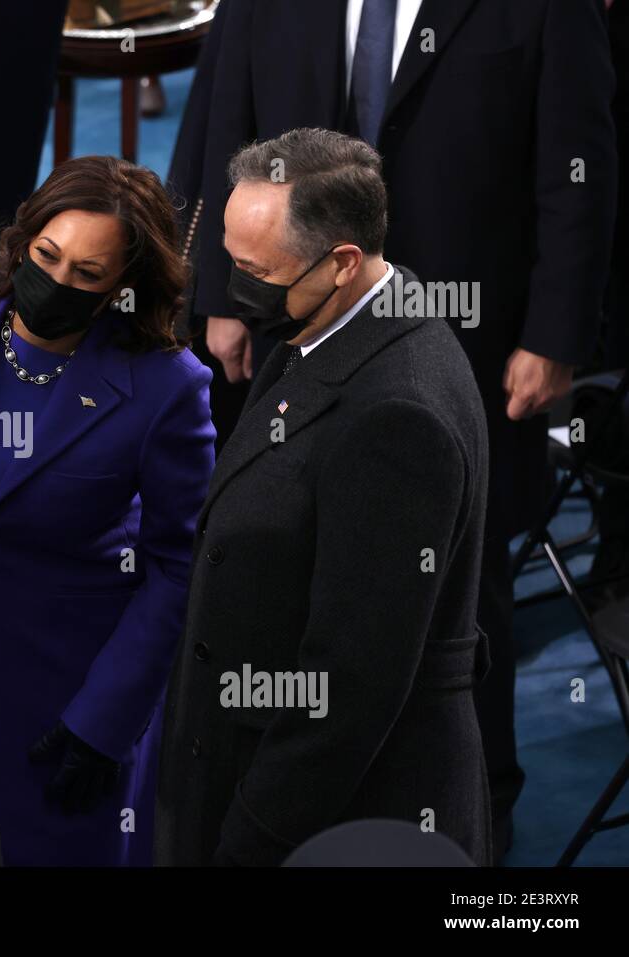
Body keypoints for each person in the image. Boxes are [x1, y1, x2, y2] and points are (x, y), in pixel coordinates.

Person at [175, 0, 617, 856]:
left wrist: (556, 335)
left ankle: (476, 808)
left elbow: (579, 167)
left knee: (456, 585)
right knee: (282, 553)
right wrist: (213, 295)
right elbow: (219, 116)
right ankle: (279, 780)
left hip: (469, 330)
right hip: (283, 325)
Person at [157, 129, 492, 866]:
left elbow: (348, 688)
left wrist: (248, 838)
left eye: (256, 270)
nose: (235, 287)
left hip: (332, 823)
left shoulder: (396, 414)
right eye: (229, 257)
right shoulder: (329, 322)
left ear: (342, 262)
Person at [0, 155, 217, 866]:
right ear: (24, 238)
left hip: (61, 689)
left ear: (124, 289)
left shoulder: (167, 387)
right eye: (46, 255)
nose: (56, 282)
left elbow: (177, 567)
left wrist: (105, 720)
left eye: (87, 275)